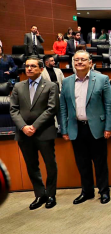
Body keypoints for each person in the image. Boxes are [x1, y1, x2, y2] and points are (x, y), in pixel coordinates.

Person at [59, 50, 111, 205]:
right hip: (76, 128)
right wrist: (64, 129)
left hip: (97, 127)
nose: (79, 62)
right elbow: (63, 107)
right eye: (76, 60)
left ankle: (104, 192)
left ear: (90, 62)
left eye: (83, 59)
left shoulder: (102, 79)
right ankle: (87, 191)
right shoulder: (67, 81)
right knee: (82, 163)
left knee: (100, 163)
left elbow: (109, 105)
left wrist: (109, 127)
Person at [9, 56, 59, 210]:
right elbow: (13, 109)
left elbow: (51, 109)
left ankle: (51, 195)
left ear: (41, 69)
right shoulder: (18, 86)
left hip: (44, 131)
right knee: (32, 166)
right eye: (27, 66)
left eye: (33, 66)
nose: (29, 68)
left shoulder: (51, 85)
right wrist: (24, 127)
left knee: (50, 165)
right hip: (24, 133)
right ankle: (39, 194)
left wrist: (34, 126)